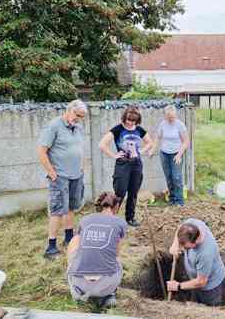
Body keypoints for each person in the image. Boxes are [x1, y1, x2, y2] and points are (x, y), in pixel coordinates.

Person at [37, 99, 87, 259]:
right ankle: (51, 247)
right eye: (77, 115)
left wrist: (81, 166)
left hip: (76, 175)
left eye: (81, 116)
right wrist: (52, 173)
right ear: (69, 110)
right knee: (57, 211)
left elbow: (78, 148)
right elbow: (41, 151)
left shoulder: (77, 127)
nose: (78, 119)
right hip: (59, 176)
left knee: (71, 207)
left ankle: (68, 238)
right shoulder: (54, 126)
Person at [66, 192, 126, 309]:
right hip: (106, 284)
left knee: (75, 239)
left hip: (80, 283)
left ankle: (77, 293)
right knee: (116, 260)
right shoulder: (120, 223)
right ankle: (109, 295)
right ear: (116, 206)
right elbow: (116, 253)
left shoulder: (85, 220)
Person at [99, 107, 153, 227]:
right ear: (124, 118)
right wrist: (114, 155)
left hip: (136, 165)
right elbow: (102, 144)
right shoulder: (118, 129)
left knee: (133, 192)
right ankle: (112, 219)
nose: (130, 123)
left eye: (134, 121)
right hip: (123, 165)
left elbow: (150, 142)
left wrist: (141, 151)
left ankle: (130, 218)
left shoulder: (139, 130)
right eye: (129, 120)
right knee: (120, 192)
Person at [167, 219, 225, 307]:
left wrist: (178, 286)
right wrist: (175, 244)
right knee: (195, 301)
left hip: (210, 287)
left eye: (185, 247)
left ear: (196, 241)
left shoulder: (205, 253)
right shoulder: (193, 225)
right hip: (195, 279)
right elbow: (181, 227)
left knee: (209, 310)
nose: (182, 248)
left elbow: (201, 282)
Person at [152, 105, 190, 206]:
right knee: (168, 177)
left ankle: (179, 201)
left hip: (176, 154)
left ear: (175, 115)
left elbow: (186, 142)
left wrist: (179, 155)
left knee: (176, 177)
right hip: (164, 154)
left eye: (172, 117)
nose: (171, 119)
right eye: (168, 117)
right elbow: (157, 138)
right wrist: (152, 150)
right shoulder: (162, 124)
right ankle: (172, 199)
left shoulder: (180, 125)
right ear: (165, 116)